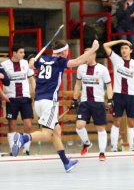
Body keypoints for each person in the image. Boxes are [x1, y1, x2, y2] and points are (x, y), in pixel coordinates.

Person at [11, 40, 100, 172]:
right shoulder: (60, 62)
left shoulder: (42, 59)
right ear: (63, 51)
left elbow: (30, 65)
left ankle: (66, 162)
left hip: (38, 103)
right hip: (49, 103)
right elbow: (76, 62)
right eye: (67, 50)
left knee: (56, 131)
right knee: (47, 134)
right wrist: (93, 50)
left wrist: (32, 60)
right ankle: (23, 138)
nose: (68, 53)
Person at [72, 48, 113, 161]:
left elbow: (109, 85)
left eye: (88, 54)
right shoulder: (81, 68)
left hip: (98, 102)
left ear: (94, 55)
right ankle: (87, 143)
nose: (86, 57)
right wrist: (74, 99)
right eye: (84, 55)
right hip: (85, 102)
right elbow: (78, 84)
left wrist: (110, 99)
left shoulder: (102, 69)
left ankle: (102, 152)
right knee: (79, 125)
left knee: (100, 128)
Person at [103, 39, 134, 152]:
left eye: (126, 48)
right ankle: (114, 147)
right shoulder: (116, 59)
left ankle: (131, 147)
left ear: (131, 50)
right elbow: (105, 45)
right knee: (116, 122)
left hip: (131, 96)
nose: (123, 50)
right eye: (122, 48)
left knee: (130, 123)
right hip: (118, 95)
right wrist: (120, 41)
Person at [2, 46, 35, 155]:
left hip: (25, 98)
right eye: (21, 52)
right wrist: (3, 95)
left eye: (24, 52)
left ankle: (26, 150)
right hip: (11, 99)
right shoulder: (4, 65)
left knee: (28, 125)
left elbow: (31, 79)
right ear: (14, 53)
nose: (23, 54)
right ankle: (13, 150)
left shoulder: (26, 63)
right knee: (12, 125)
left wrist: (34, 91)